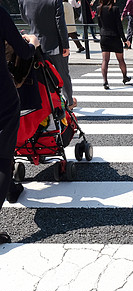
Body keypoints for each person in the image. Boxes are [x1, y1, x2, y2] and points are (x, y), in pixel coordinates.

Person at [0, 5, 39, 244]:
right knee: (3, 157)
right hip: (2, 94)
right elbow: (24, 52)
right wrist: (32, 42)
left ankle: (12, 187)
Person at [19, 0, 78, 110]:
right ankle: (69, 102)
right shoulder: (55, 0)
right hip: (55, 43)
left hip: (36, 42)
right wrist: (65, 44)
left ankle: (46, 103)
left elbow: (25, 17)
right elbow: (60, 22)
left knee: (40, 76)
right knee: (63, 74)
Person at [97, 0, 131, 90]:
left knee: (105, 60)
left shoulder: (99, 9)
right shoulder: (115, 9)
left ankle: (105, 81)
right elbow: (119, 26)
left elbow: (99, 24)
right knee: (120, 60)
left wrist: (102, 33)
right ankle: (125, 77)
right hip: (115, 37)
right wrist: (124, 39)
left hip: (104, 36)